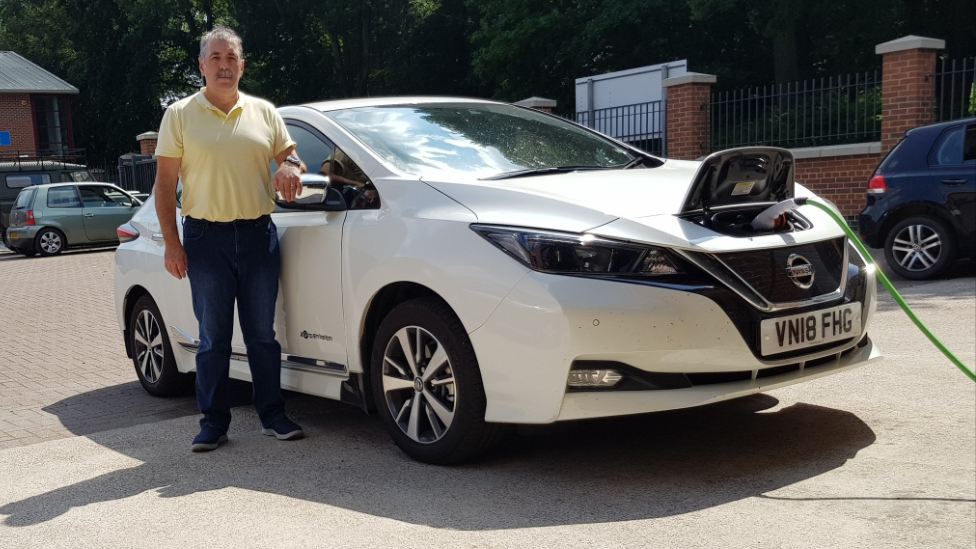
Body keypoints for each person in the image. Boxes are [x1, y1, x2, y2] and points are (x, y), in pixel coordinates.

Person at [153, 25, 306, 452]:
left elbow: (290, 156)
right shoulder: (180, 114)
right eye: (215, 58)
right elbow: (165, 186)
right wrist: (172, 243)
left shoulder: (264, 112)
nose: (224, 65)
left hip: (258, 237)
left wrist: (291, 165)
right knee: (214, 337)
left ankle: (273, 415)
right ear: (202, 66)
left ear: (242, 65)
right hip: (205, 239)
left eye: (231, 58)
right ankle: (213, 423)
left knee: (262, 334)